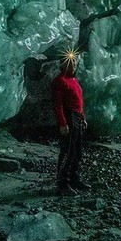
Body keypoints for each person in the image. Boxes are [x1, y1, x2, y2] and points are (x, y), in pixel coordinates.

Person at [52, 51, 88, 195]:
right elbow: (57, 105)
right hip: (69, 116)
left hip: (77, 116)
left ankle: (74, 178)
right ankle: (62, 183)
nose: (73, 65)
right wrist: (62, 123)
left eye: (74, 62)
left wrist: (83, 117)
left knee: (77, 151)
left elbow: (79, 102)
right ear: (63, 64)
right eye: (69, 63)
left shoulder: (73, 80)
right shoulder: (59, 81)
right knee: (68, 151)